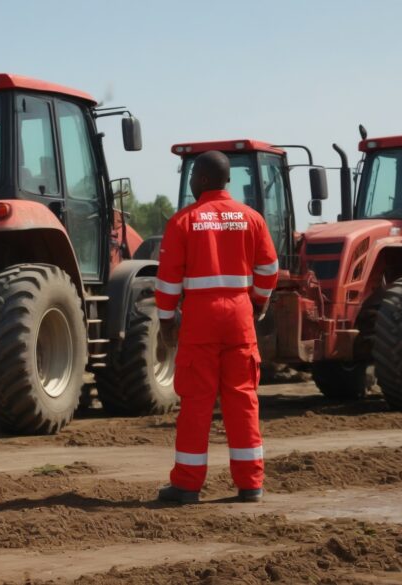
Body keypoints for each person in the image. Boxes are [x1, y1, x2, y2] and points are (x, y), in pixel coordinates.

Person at [154, 150, 278, 504]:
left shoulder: (184, 222)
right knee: (243, 399)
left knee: (196, 402)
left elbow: (168, 282)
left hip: (200, 319)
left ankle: (187, 485)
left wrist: (166, 321)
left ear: (204, 179)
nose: (191, 181)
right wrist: (256, 302)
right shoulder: (251, 219)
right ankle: (251, 484)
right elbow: (269, 269)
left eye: (193, 175)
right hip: (240, 315)